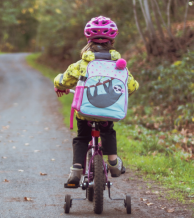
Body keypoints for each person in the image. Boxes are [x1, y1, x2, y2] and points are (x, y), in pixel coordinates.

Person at [53, 16, 139, 186]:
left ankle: (76, 170)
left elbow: (64, 80)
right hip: (108, 112)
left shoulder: (82, 64)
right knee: (108, 132)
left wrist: (58, 84)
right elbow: (132, 86)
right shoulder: (119, 65)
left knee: (82, 137)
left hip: (85, 113)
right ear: (112, 41)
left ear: (88, 39)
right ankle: (113, 163)